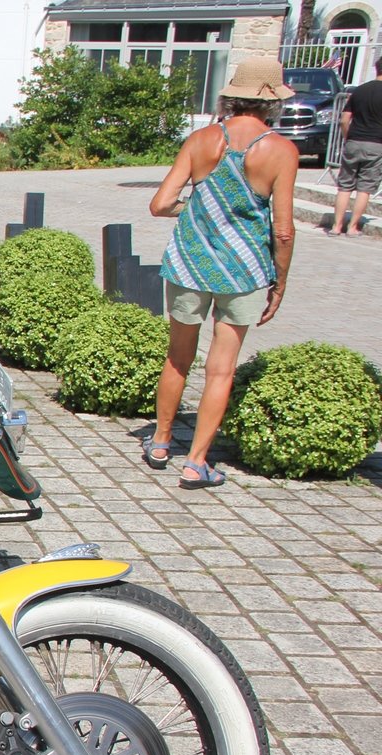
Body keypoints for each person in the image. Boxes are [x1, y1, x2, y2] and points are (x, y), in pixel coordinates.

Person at [144, 55, 299, 490]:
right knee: (221, 369)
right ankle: (196, 462)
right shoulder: (281, 150)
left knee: (177, 357)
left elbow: (160, 204)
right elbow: (283, 231)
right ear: (273, 102)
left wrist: (197, 209)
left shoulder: (202, 139)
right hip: (243, 270)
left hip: (190, 264)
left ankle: (160, 442)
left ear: (232, 96)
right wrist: (280, 282)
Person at [332, 55, 382, 235]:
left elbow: (344, 119)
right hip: (376, 144)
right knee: (364, 188)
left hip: (353, 141)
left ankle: (336, 226)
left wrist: (348, 137)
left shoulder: (359, 91)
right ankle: (352, 227)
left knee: (344, 186)